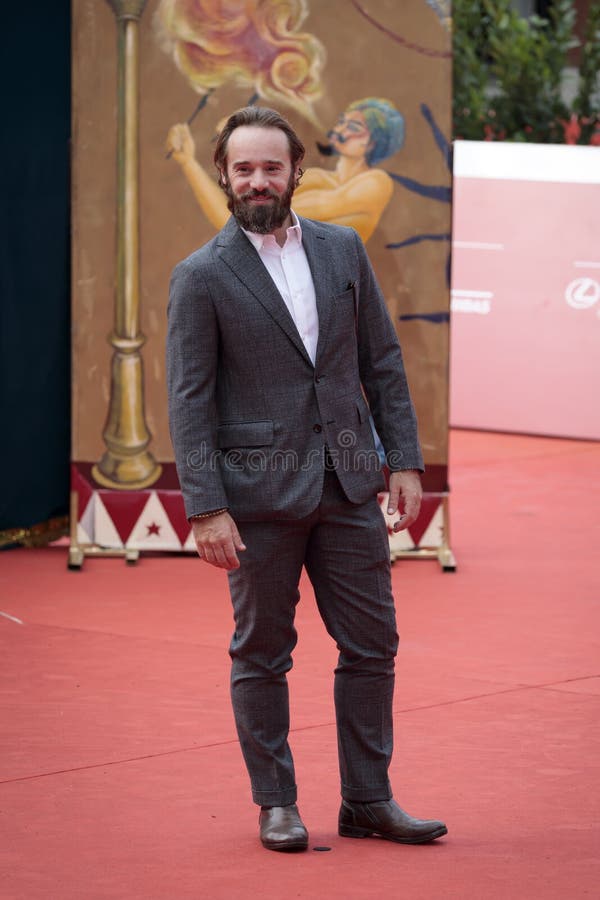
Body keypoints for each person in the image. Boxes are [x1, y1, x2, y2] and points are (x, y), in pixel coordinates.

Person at [166, 105, 447, 852]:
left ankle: (368, 799)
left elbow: (380, 359)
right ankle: (276, 804)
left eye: (272, 166)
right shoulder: (200, 277)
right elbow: (190, 400)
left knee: (373, 644)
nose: (258, 180)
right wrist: (205, 509)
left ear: (295, 170)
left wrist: (406, 460)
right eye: (243, 168)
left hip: (350, 483)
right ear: (226, 176)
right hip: (256, 496)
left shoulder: (343, 250)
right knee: (262, 652)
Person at [166, 97, 404, 243]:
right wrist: (188, 163)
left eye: (354, 127)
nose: (342, 128)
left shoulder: (376, 181)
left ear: (373, 143)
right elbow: (233, 221)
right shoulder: (315, 177)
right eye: (343, 121)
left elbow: (263, 218)